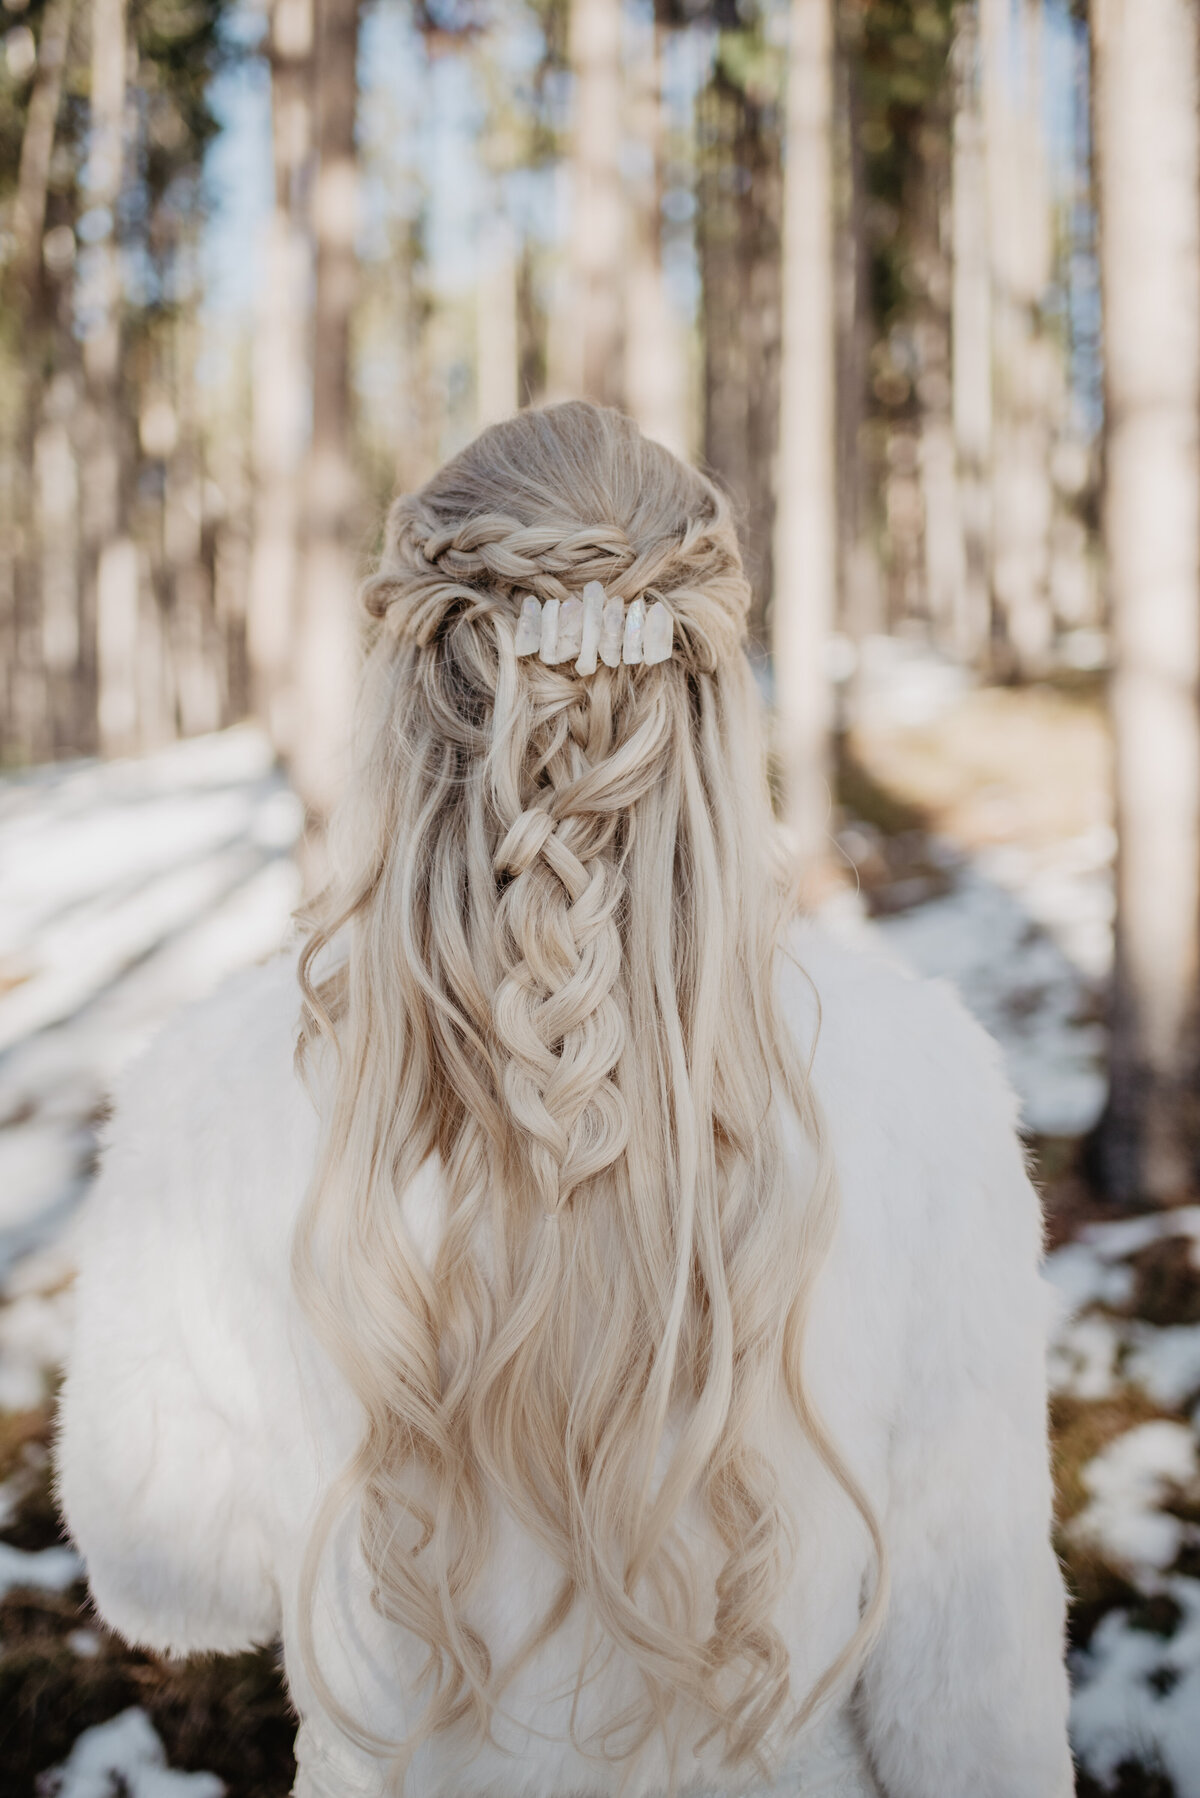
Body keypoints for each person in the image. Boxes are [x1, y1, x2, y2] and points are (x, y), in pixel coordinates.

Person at [56, 403, 1074, 1798]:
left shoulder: (227, 1077)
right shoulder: (915, 1075)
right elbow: (973, 1713)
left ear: (410, 699)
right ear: (717, 706)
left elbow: (171, 1577)